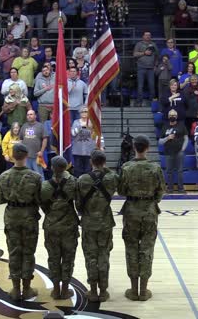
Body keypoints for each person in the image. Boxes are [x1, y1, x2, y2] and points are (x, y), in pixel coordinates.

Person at [118, 135, 165, 301]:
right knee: (147, 249)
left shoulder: (126, 167)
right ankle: (144, 290)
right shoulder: (155, 168)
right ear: (148, 148)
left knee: (131, 248)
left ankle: (133, 289)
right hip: (150, 211)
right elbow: (161, 191)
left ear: (133, 148)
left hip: (131, 211)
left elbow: (121, 190)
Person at [0, 143, 42, 301]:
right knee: (28, 252)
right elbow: (40, 199)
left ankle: (15, 289)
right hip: (29, 216)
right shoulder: (35, 177)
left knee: (14, 252)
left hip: (12, 217)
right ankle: (27, 289)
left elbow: (0, 200)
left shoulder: (4, 176)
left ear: (13, 156)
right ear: (27, 156)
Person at [76, 150, 119, 302]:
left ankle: (93, 290)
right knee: (104, 255)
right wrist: (104, 168)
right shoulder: (112, 178)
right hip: (105, 223)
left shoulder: (82, 179)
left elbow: (78, 205)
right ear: (104, 162)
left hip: (88, 223)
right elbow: (115, 178)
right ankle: (103, 291)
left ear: (90, 162)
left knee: (91, 257)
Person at [40, 156, 79, 299]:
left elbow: (42, 205)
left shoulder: (44, 186)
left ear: (51, 168)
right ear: (66, 168)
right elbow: (79, 203)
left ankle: (56, 290)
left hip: (51, 226)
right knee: (68, 258)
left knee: (53, 258)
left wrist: (52, 213)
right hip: (69, 226)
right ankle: (65, 290)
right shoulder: (73, 183)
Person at [159, 109, 188, 193]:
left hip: (179, 152)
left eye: (174, 115)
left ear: (177, 116)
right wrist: (167, 138)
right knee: (169, 171)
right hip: (168, 152)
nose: (172, 117)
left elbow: (186, 139)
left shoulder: (182, 126)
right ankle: (170, 188)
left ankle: (181, 188)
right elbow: (160, 142)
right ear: (168, 116)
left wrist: (183, 149)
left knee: (180, 171)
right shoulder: (165, 126)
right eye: (171, 115)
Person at [71, 106, 100, 178]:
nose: (84, 113)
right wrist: (80, 126)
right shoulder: (76, 122)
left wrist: (101, 145)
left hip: (89, 151)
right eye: (82, 111)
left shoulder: (93, 122)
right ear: (79, 113)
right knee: (78, 171)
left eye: (86, 111)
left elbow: (98, 135)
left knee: (88, 171)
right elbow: (73, 133)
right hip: (78, 151)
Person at [19, 110, 47, 178]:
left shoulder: (40, 126)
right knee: (26, 176)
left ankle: (42, 188)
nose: (29, 116)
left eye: (31, 114)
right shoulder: (24, 126)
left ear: (35, 116)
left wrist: (42, 151)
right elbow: (21, 140)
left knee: (39, 175)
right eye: (28, 115)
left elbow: (45, 139)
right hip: (26, 157)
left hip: (36, 156)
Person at [133, 32, 159, 106]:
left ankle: (152, 103)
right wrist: (144, 53)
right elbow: (134, 54)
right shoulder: (139, 44)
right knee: (140, 86)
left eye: (149, 35)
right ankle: (139, 102)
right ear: (143, 36)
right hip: (141, 68)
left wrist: (156, 65)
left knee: (152, 86)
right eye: (146, 35)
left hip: (151, 69)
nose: (148, 36)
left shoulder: (154, 44)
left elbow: (157, 56)